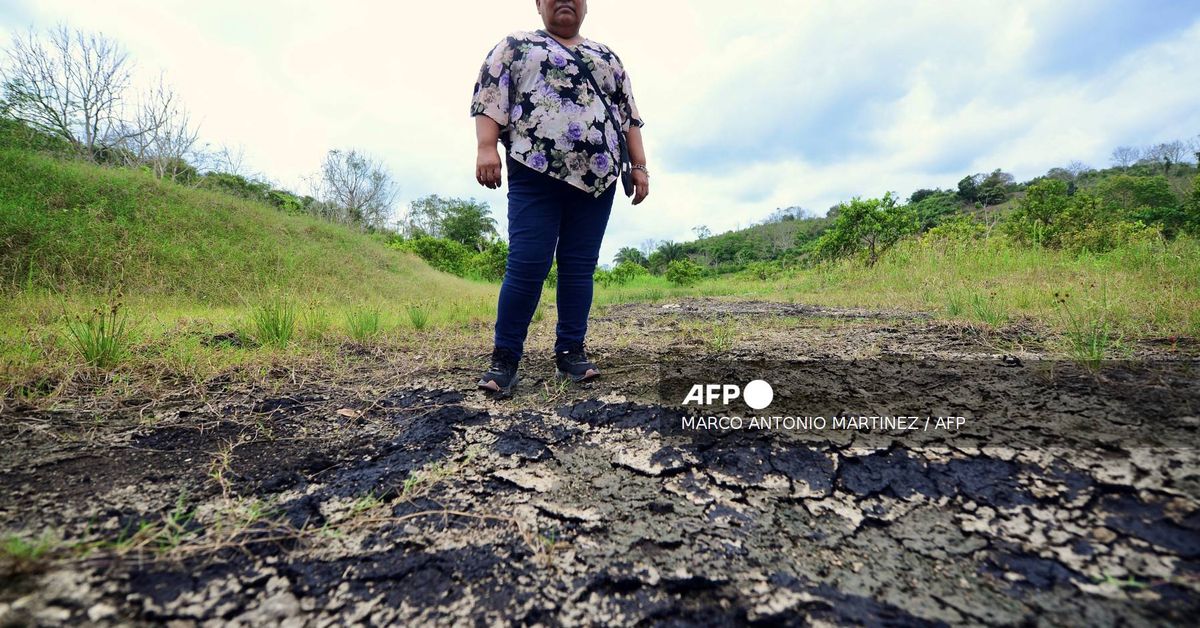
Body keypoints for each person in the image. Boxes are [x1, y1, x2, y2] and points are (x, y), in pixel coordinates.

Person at [470, 0, 649, 396]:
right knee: (527, 263)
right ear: (538, 4)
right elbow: (490, 97)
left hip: (598, 178)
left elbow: (628, 116)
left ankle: (570, 352)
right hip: (534, 171)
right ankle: (505, 358)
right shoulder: (516, 45)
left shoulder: (606, 57)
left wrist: (639, 166)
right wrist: (486, 147)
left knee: (579, 267)